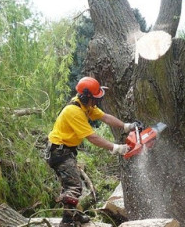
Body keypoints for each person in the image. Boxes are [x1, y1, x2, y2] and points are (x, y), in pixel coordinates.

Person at [45, 76, 136, 227]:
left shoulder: (85, 106)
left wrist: (126, 126)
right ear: (86, 96)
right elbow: (92, 137)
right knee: (74, 187)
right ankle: (67, 222)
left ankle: (73, 214)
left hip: (64, 151)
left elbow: (105, 117)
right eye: (95, 98)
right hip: (59, 152)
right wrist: (116, 148)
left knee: (71, 184)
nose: (97, 102)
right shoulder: (74, 111)